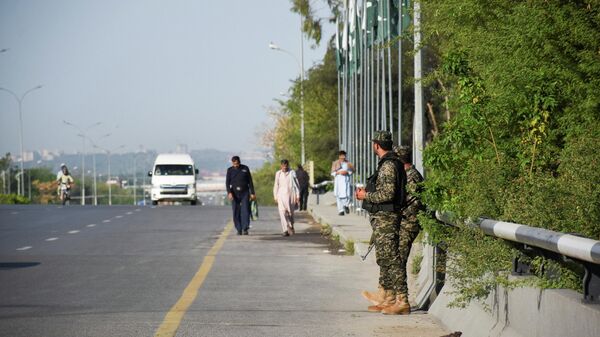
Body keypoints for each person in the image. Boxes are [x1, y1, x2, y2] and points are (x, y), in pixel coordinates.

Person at [361, 145, 424, 315]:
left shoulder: (412, 177)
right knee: (389, 257)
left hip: (407, 224)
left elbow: (411, 205)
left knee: (397, 259)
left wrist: (394, 214)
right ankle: (387, 297)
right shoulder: (405, 174)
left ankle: (399, 300)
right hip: (400, 222)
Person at [355, 130, 409, 315]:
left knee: (392, 260)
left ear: (376, 145)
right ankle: (389, 299)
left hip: (387, 219)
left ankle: (402, 300)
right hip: (383, 219)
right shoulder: (390, 163)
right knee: (385, 259)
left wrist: (365, 195)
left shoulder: (388, 166)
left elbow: (388, 194)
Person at [226, 156, 256, 235]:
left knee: (245, 210)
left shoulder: (245, 168)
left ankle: (245, 228)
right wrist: (229, 193)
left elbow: (250, 181)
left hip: (245, 193)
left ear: (239, 162)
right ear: (232, 163)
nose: (236, 165)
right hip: (234, 193)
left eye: (237, 163)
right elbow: (227, 183)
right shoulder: (230, 170)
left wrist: (252, 193)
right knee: (236, 211)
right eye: (234, 164)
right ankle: (238, 229)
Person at [273, 159, 300, 236]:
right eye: (283, 166)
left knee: (291, 213)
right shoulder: (278, 174)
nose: (284, 167)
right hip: (281, 196)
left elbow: (296, 185)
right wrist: (275, 196)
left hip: (291, 195)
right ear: (281, 166)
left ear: (288, 165)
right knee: (282, 212)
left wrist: (298, 196)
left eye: (286, 166)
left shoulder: (292, 173)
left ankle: (291, 225)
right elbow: (276, 185)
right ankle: (285, 230)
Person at [331, 150, 354, 216]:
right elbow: (332, 173)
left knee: (347, 195)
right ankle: (341, 210)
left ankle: (346, 205)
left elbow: (351, 171)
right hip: (338, 181)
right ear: (339, 156)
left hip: (345, 180)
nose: (343, 157)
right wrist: (338, 172)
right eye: (341, 155)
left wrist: (346, 172)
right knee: (338, 196)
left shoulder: (348, 163)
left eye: (344, 155)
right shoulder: (335, 163)